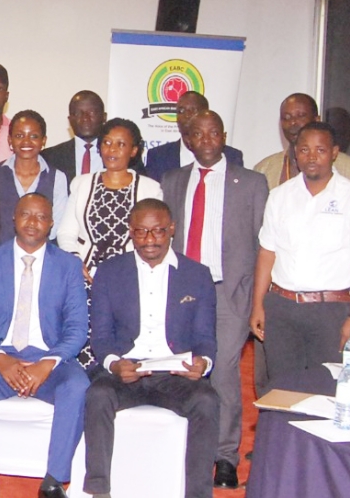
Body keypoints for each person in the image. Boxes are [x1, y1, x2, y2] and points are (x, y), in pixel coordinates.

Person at [82, 199, 219, 498]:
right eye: (141, 232)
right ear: (130, 233)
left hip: (175, 374)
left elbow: (206, 337)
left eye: (157, 231)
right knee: (97, 394)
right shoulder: (110, 272)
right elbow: (101, 337)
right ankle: (99, 490)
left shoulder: (197, 275)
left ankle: (198, 494)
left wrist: (203, 363)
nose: (149, 240)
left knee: (207, 402)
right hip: (126, 371)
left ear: (171, 230)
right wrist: (115, 364)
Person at [160, 110, 267, 489]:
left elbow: (263, 246)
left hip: (229, 294)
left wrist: (255, 301)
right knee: (178, 370)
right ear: (187, 140)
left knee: (221, 372)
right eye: (196, 134)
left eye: (212, 132)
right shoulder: (172, 181)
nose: (205, 139)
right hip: (180, 293)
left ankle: (224, 457)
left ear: (223, 136)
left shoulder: (252, 183)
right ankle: (183, 451)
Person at [0, 194, 88, 498]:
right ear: (14, 218)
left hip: (49, 359)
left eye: (41, 217)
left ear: (51, 224)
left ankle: (54, 482)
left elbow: (77, 328)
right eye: (26, 215)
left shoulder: (69, 266)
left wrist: (49, 363)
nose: (33, 223)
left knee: (78, 385)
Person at [250, 121, 350, 389]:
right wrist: (258, 304)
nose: (311, 157)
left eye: (320, 150)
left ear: (334, 153)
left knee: (326, 390)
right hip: (282, 308)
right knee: (281, 389)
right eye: (304, 149)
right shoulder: (279, 196)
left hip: (330, 312)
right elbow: (267, 253)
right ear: (295, 152)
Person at [57, 118, 162, 372]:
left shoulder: (150, 188)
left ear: (134, 150)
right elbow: (66, 232)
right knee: (82, 345)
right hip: (85, 277)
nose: (112, 150)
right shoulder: (82, 184)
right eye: (107, 143)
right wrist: (75, 261)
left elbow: (152, 239)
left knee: (121, 344)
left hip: (128, 278)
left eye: (120, 144)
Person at [254, 93, 350, 190]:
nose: (293, 123)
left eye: (301, 116)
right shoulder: (263, 169)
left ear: (316, 120)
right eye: (286, 118)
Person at [0, 109, 68, 243]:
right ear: (10, 140)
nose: (26, 142)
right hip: (0, 256)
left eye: (33, 136)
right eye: (19, 136)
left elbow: (56, 225)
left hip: (42, 256)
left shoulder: (57, 177)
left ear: (43, 140)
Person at [144, 91, 244, 182]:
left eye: (193, 110)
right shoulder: (158, 157)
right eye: (181, 111)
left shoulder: (232, 156)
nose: (187, 115)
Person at [42, 90, 106, 180]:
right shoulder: (49, 157)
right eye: (78, 113)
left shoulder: (122, 157)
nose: (85, 118)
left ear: (104, 117)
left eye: (92, 112)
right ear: (70, 119)